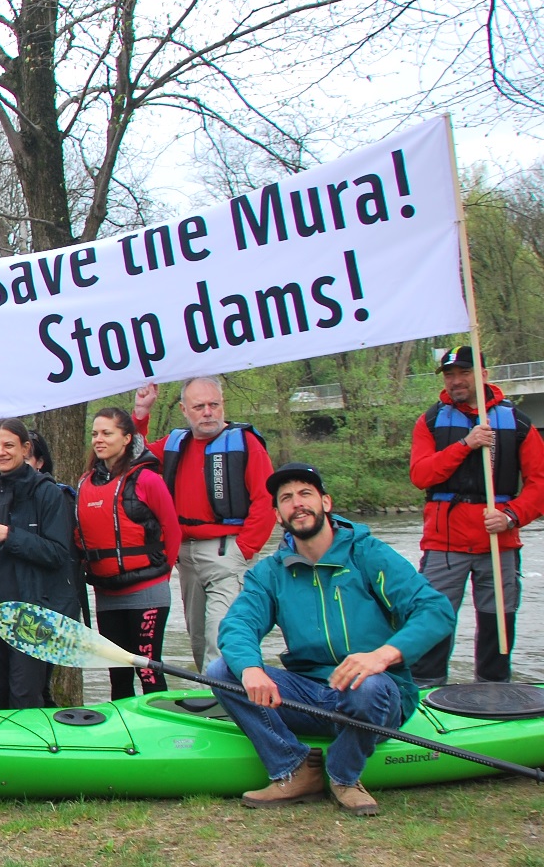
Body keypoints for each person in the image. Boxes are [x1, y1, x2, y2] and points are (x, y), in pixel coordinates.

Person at [209, 463, 456, 816]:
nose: (298, 503)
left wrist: (383, 656)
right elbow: (238, 626)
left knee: (367, 684)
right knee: (223, 671)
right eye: (287, 498)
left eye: (306, 494)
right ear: (278, 515)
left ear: (326, 502)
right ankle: (293, 768)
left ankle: (343, 776)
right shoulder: (269, 573)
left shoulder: (367, 554)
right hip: (309, 696)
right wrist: (250, 669)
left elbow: (435, 610)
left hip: (377, 695)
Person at [408, 345, 544, 685]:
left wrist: (511, 516)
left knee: (497, 621)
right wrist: (464, 445)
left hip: (498, 539)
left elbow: (539, 484)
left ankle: (495, 689)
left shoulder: (518, 423)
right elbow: (421, 475)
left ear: (482, 374)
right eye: (450, 375)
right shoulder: (430, 421)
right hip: (444, 543)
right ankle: (427, 687)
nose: (456, 381)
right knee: (433, 617)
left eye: (464, 373)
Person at [132, 377, 276, 669]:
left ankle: (229, 708)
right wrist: (141, 414)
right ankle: (213, 705)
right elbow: (132, 456)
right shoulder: (176, 443)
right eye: (199, 406)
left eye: (214, 405)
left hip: (228, 552)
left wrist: (245, 548)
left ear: (223, 405)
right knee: (198, 640)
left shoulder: (245, 443)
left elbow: (266, 498)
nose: (208, 412)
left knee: (221, 639)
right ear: (185, 410)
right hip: (186, 556)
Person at [0, 419, 78, 709]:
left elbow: (58, 554)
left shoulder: (48, 492)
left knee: (26, 694)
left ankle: (31, 751)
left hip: (33, 613)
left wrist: (10, 536)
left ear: (25, 448)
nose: (1, 452)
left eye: (8, 445)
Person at [77, 408, 181, 699]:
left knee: (148, 672)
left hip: (148, 592)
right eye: (95, 433)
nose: (99, 439)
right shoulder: (85, 483)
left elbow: (172, 532)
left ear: (126, 438)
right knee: (118, 675)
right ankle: (125, 737)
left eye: (107, 433)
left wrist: (162, 574)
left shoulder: (148, 480)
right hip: (108, 595)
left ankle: (159, 730)